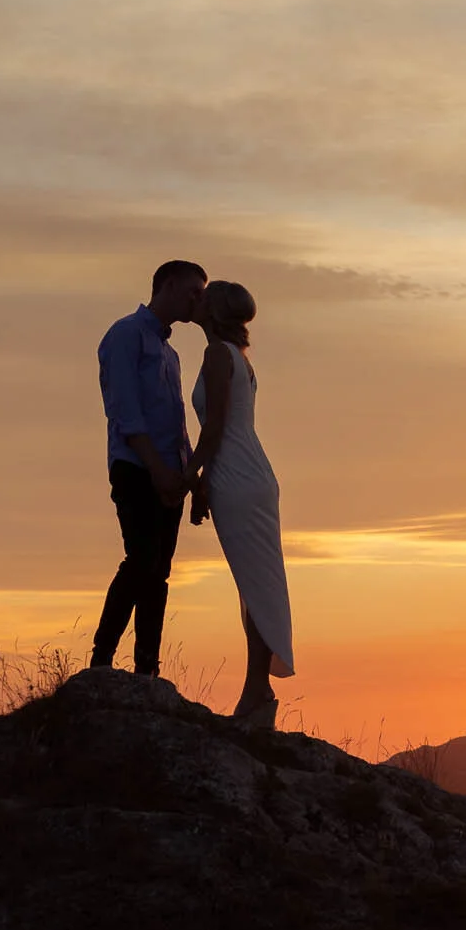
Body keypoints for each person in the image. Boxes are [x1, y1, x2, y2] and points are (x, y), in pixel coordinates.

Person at [186, 280, 294, 729]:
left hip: (237, 476)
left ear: (212, 312)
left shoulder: (218, 356)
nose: (197, 300)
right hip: (249, 474)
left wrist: (190, 480)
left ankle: (257, 694)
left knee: (255, 587)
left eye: (203, 297)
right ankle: (257, 694)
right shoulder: (239, 358)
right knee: (255, 586)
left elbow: (213, 431)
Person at [91, 260, 206, 675]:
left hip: (168, 472)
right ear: (169, 285)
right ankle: (101, 659)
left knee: (158, 571)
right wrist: (157, 469)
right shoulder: (126, 335)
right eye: (194, 291)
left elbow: (176, 424)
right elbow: (124, 410)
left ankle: (147, 668)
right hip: (135, 467)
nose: (200, 300)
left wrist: (188, 479)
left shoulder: (170, 353)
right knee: (141, 560)